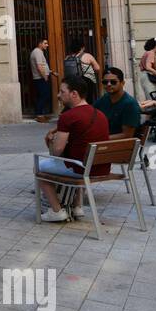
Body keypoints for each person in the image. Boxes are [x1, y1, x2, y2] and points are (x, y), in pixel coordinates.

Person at [37, 75, 111, 222]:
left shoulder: (68, 116)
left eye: (62, 91)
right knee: (79, 160)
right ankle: (77, 207)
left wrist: (52, 140)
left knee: (38, 167)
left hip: (81, 169)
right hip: (101, 168)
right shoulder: (100, 114)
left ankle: (56, 211)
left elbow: (57, 151)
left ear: (74, 94)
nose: (58, 95)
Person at [94, 67, 142, 140]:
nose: (109, 84)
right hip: (105, 142)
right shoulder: (103, 99)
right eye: (105, 82)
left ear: (122, 83)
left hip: (120, 146)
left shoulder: (130, 104)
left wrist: (101, 139)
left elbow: (127, 135)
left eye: (113, 82)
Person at [29, 36, 54, 122]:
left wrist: (51, 72)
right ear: (40, 44)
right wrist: (45, 76)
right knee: (44, 95)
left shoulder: (38, 52)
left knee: (42, 95)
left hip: (40, 77)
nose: (47, 45)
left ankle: (41, 114)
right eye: (45, 43)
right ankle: (39, 115)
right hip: (40, 78)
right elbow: (39, 67)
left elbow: (42, 66)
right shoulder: (37, 52)